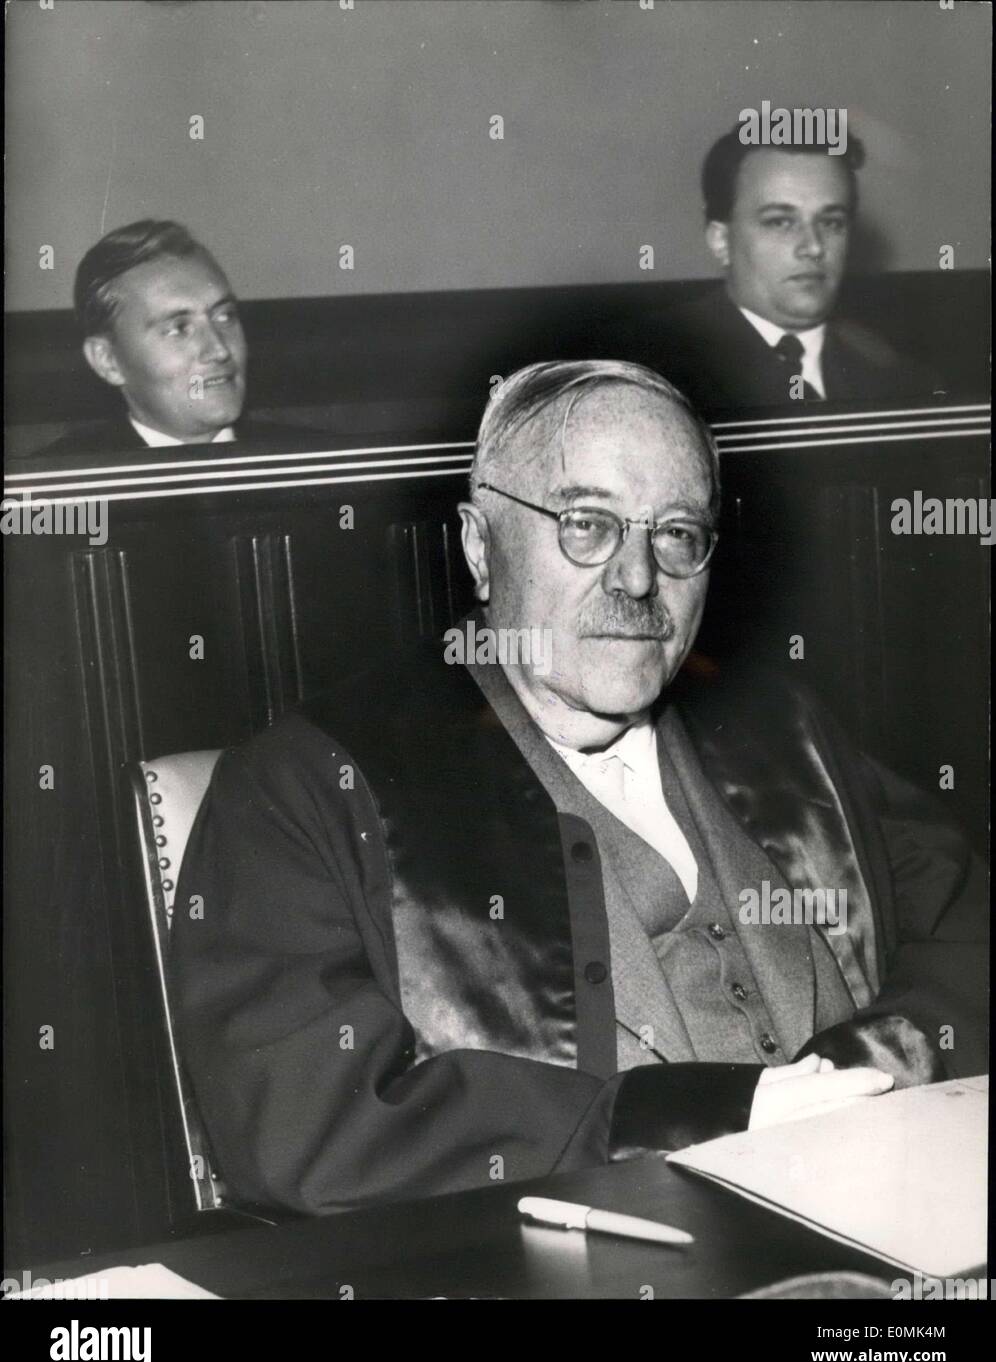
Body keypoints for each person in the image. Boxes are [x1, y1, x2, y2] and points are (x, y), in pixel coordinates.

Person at [171, 360, 985, 1215]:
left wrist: (886, 1055)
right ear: (480, 547)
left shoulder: (783, 730)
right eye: (586, 525)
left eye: (676, 533)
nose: (638, 579)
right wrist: (692, 1117)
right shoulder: (314, 785)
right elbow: (307, 1120)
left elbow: (966, 924)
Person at [619, 124, 938, 410]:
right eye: (780, 222)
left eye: (831, 222)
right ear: (721, 241)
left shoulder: (899, 375)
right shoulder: (648, 372)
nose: (813, 246)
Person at [43, 219, 315, 454]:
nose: (219, 350)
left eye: (225, 316)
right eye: (179, 329)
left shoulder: (322, 463)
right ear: (108, 362)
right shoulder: (49, 490)